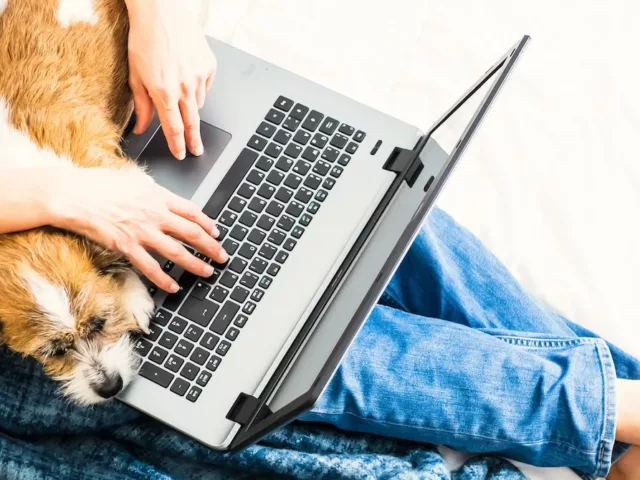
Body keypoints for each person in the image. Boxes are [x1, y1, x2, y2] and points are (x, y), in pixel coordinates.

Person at [0, 3, 639, 480]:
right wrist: (65, 196)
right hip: (48, 218)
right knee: (268, 337)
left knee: (372, 201)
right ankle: (614, 410)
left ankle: (610, 412)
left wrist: (161, 20)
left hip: (107, 118)